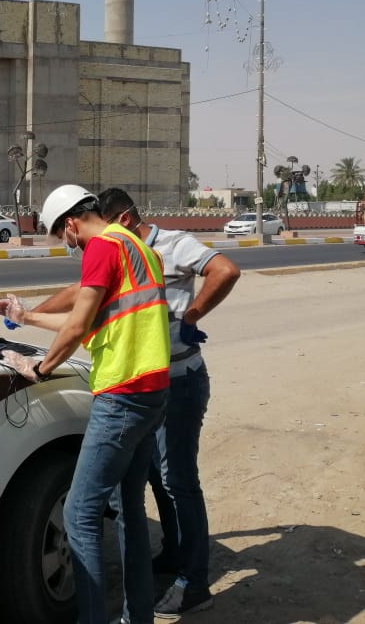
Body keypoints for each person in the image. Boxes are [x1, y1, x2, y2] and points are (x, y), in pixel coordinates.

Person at [0, 184, 171, 624]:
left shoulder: (100, 247)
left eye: (61, 236)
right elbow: (90, 318)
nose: (65, 244)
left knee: (80, 513)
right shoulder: (138, 247)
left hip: (122, 395)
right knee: (129, 511)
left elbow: (74, 329)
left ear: (71, 223)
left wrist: (40, 367)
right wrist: (25, 316)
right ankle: (138, 617)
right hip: (152, 394)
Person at [97, 188, 240, 618]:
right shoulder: (125, 254)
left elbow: (226, 270)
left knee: (179, 481)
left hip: (180, 383)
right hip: (150, 385)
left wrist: (191, 315)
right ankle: (176, 553)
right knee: (159, 479)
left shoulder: (172, 244)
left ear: (123, 219)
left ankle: (195, 584)